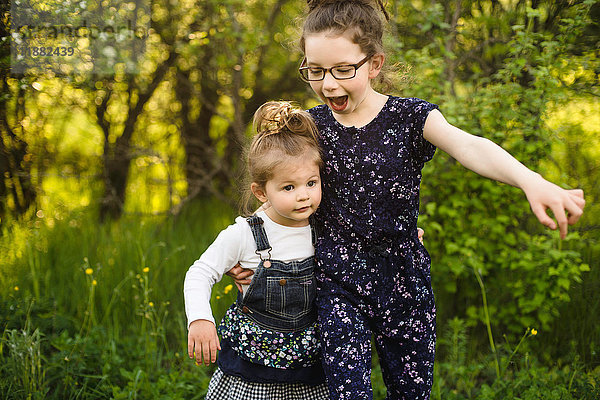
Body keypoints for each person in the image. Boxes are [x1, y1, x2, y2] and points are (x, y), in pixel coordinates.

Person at [226, 1, 586, 399]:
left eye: (343, 70)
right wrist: (252, 250)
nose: (328, 84)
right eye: (315, 71)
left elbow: (468, 146)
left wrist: (530, 181)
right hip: (337, 285)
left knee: (411, 391)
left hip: (404, 282)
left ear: (375, 64)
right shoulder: (311, 128)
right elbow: (279, 190)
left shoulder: (410, 118)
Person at [184, 101, 329, 399]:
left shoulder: (324, 226)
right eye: (288, 188)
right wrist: (200, 318)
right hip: (253, 369)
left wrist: (403, 239)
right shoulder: (245, 234)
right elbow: (200, 272)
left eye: (311, 183)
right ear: (262, 192)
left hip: (309, 369)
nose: (303, 196)